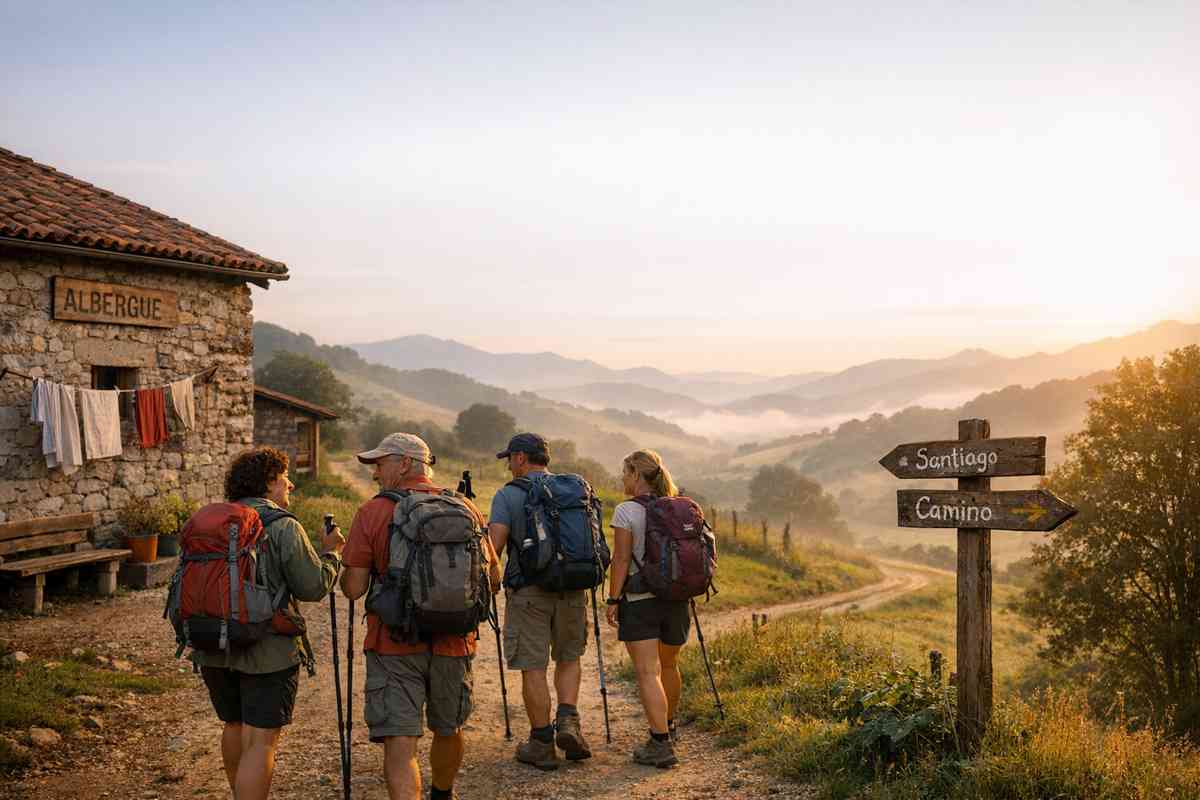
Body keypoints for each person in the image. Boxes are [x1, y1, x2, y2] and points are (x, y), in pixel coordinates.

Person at [340, 433, 501, 800]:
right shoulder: (465, 507)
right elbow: (494, 577)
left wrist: (339, 561)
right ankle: (442, 794)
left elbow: (353, 589)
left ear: (406, 463)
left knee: (400, 737)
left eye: (380, 465)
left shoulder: (373, 512)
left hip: (393, 643)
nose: (376, 474)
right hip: (454, 641)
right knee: (449, 727)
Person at [195, 446, 345, 800]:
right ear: (268, 483)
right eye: (283, 478)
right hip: (268, 648)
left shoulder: (211, 519)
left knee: (232, 725)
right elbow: (312, 587)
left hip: (213, 642)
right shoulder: (282, 526)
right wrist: (331, 554)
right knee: (261, 740)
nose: (290, 484)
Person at [488, 433, 592, 770]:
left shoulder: (508, 495)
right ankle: (568, 721)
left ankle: (541, 742)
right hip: (573, 588)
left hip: (529, 592)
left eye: (509, 458)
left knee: (533, 666)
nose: (508, 465)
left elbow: (495, 549)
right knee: (568, 656)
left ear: (520, 458)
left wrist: (488, 582)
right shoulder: (574, 489)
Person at [605, 449, 688, 768]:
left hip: (641, 601)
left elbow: (622, 560)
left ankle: (660, 744)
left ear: (637, 476)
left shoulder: (626, 511)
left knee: (647, 672)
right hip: (678, 599)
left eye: (625, 473)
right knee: (668, 667)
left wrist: (613, 599)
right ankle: (669, 726)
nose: (622, 479)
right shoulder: (681, 506)